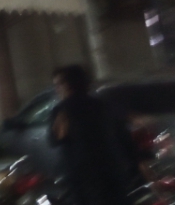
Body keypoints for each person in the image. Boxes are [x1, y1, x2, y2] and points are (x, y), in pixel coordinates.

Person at [48, 65, 139, 205]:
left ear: (68, 85)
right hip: (112, 172)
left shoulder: (63, 110)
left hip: (83, 177)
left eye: (58, 84)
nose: (57, 89)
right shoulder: (104, 106)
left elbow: (54, 139)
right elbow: (123, 136)